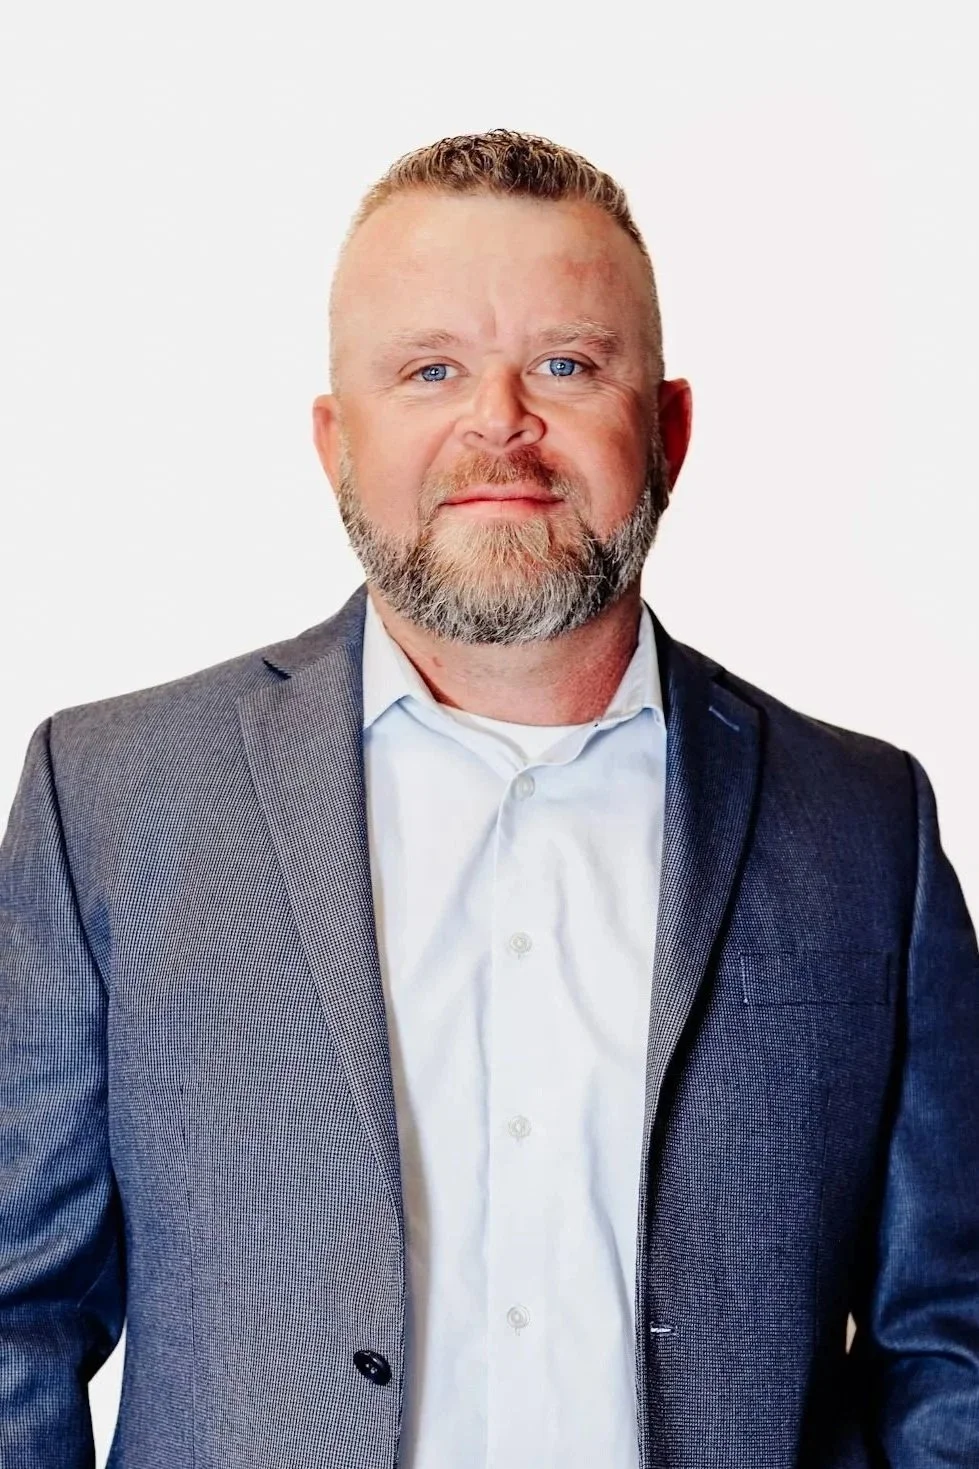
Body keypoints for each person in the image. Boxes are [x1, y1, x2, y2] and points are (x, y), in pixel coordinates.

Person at [1, 127, 977, 1469]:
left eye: (566, 364)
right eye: (430, 369)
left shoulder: (865, 825)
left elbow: (952, 1332)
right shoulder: (109, 799)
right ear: (337, 443)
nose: (498, 422)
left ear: (668, 429)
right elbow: (14, 1317)